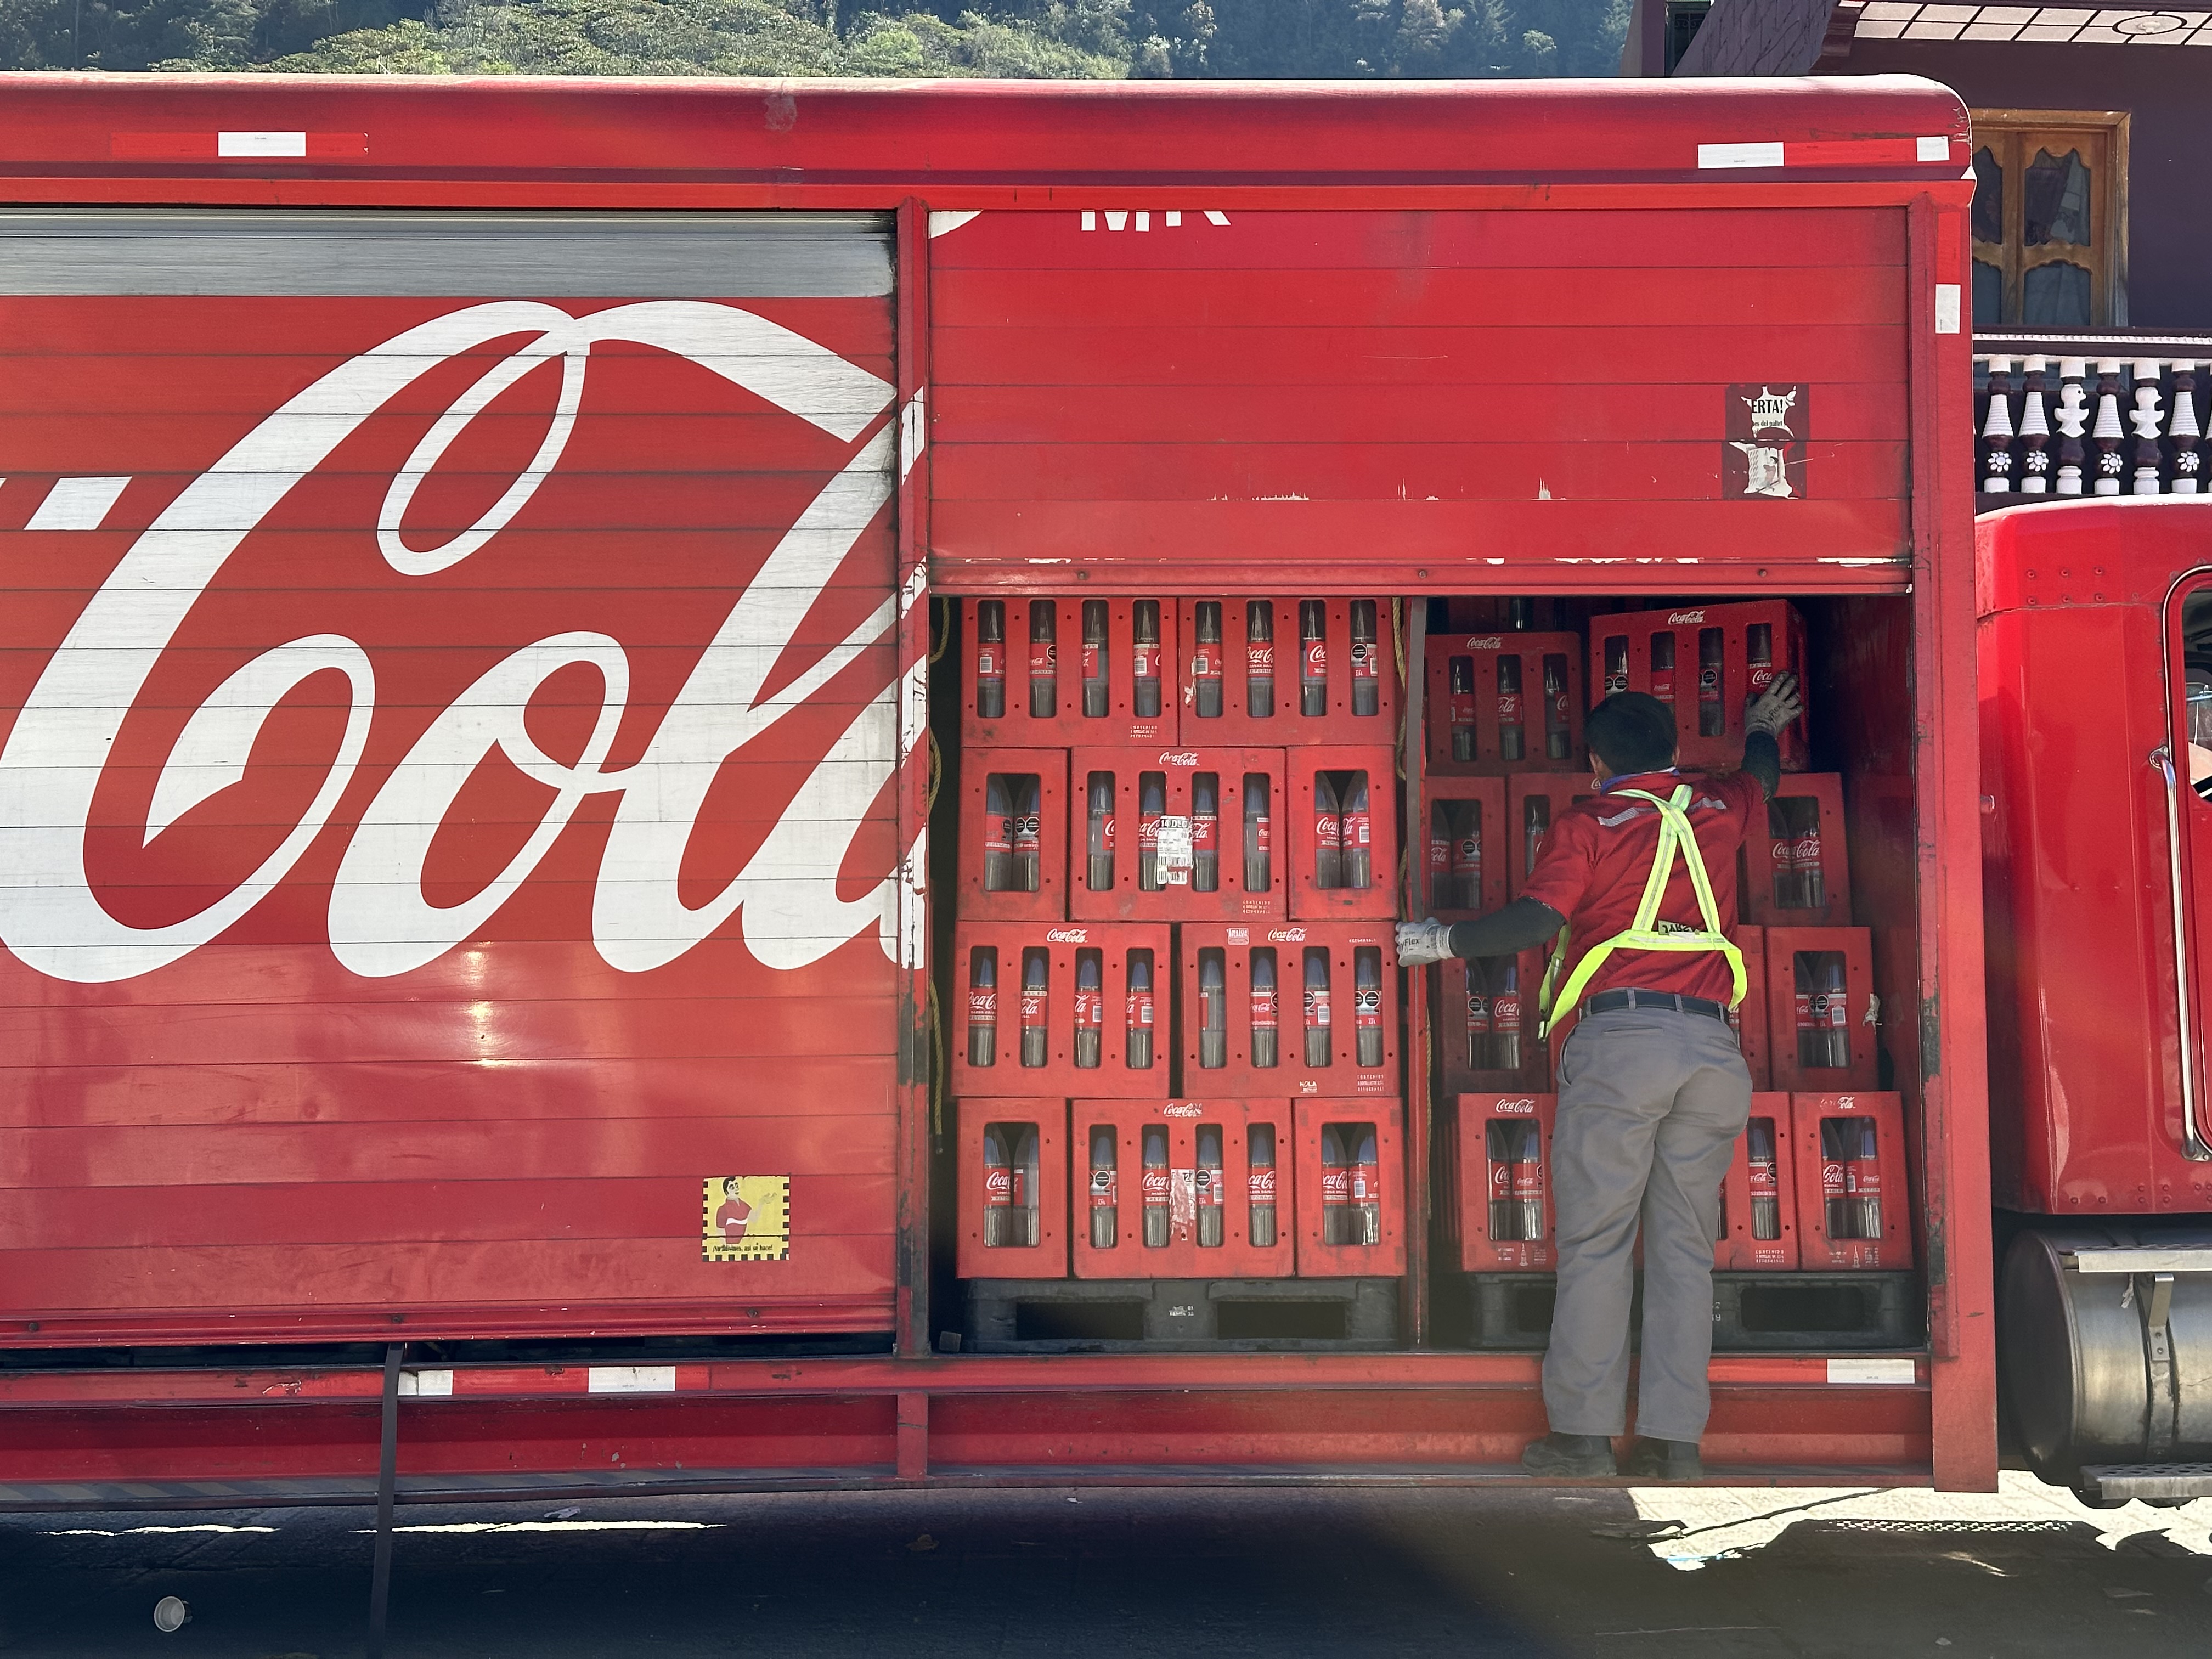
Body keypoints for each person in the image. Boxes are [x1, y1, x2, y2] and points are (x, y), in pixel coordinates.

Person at [1398, 673, 1803, 1480]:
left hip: (1624, 1049)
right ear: (1678, 753)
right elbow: (1762, 779)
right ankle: (1675, 1443)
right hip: (1714, 1054)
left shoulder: (1591, 821)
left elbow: (1538, 920)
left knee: (1598, 1243)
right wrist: (1762, 726)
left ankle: (1583, 1438)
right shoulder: (1719, 810)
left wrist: (1439, 941)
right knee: (1686, 1250)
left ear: (1592, 761)